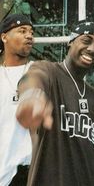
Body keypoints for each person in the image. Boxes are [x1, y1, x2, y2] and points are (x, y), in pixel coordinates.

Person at [16, 20, 94, 186]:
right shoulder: (49, 71)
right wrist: (32, 96)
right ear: (70, 42)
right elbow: (33, 78)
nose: (92, 49)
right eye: (86, 40)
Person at [0, 13, 34, 186]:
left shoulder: (39, 72)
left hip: (33, 171)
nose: (29, 35)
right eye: (22, 31)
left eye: (31, 32)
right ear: (4, 37)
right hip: (3, 174)